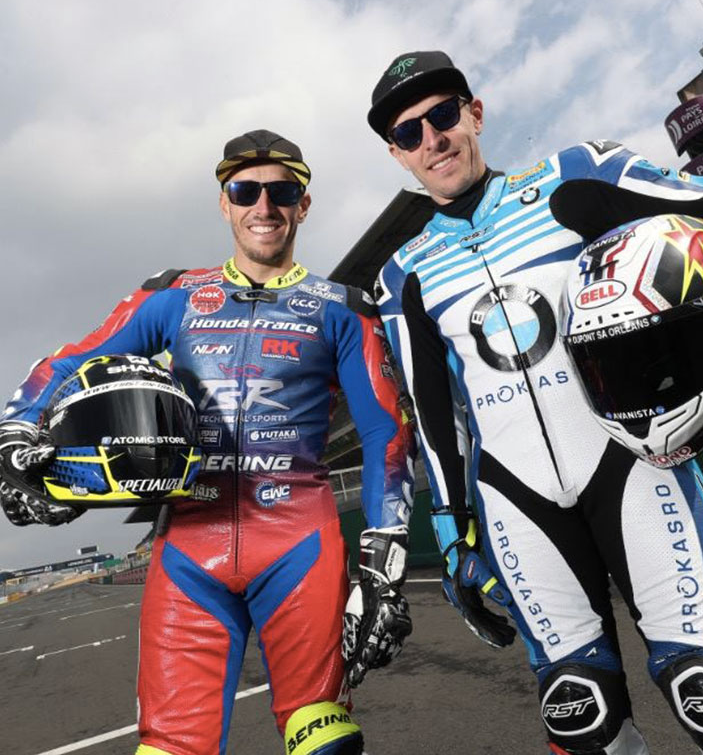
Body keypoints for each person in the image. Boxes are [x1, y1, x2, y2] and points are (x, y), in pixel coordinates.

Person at [367, 50, 703, 755]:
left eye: (443, 115)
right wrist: (451, 536)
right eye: (409, 133)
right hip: (515, 502)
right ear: (397, 154)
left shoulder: (575, 175)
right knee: (583, 722)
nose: (432, 139)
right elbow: (433, 417)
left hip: (635, 466)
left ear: (475, 113)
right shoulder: (400, 276)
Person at [0, 129, 415, 755]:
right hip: (188, 549)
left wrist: (383, 565)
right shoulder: (174, 294)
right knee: (169, 746)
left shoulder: (343, 308)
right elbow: (68, 363)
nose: (263, 207)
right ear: (225, 202)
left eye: (281, 192)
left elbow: (385, 431)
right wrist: (17, 432)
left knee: (323, 735)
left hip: (299, 544)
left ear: (303, 204)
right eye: (245, 191)